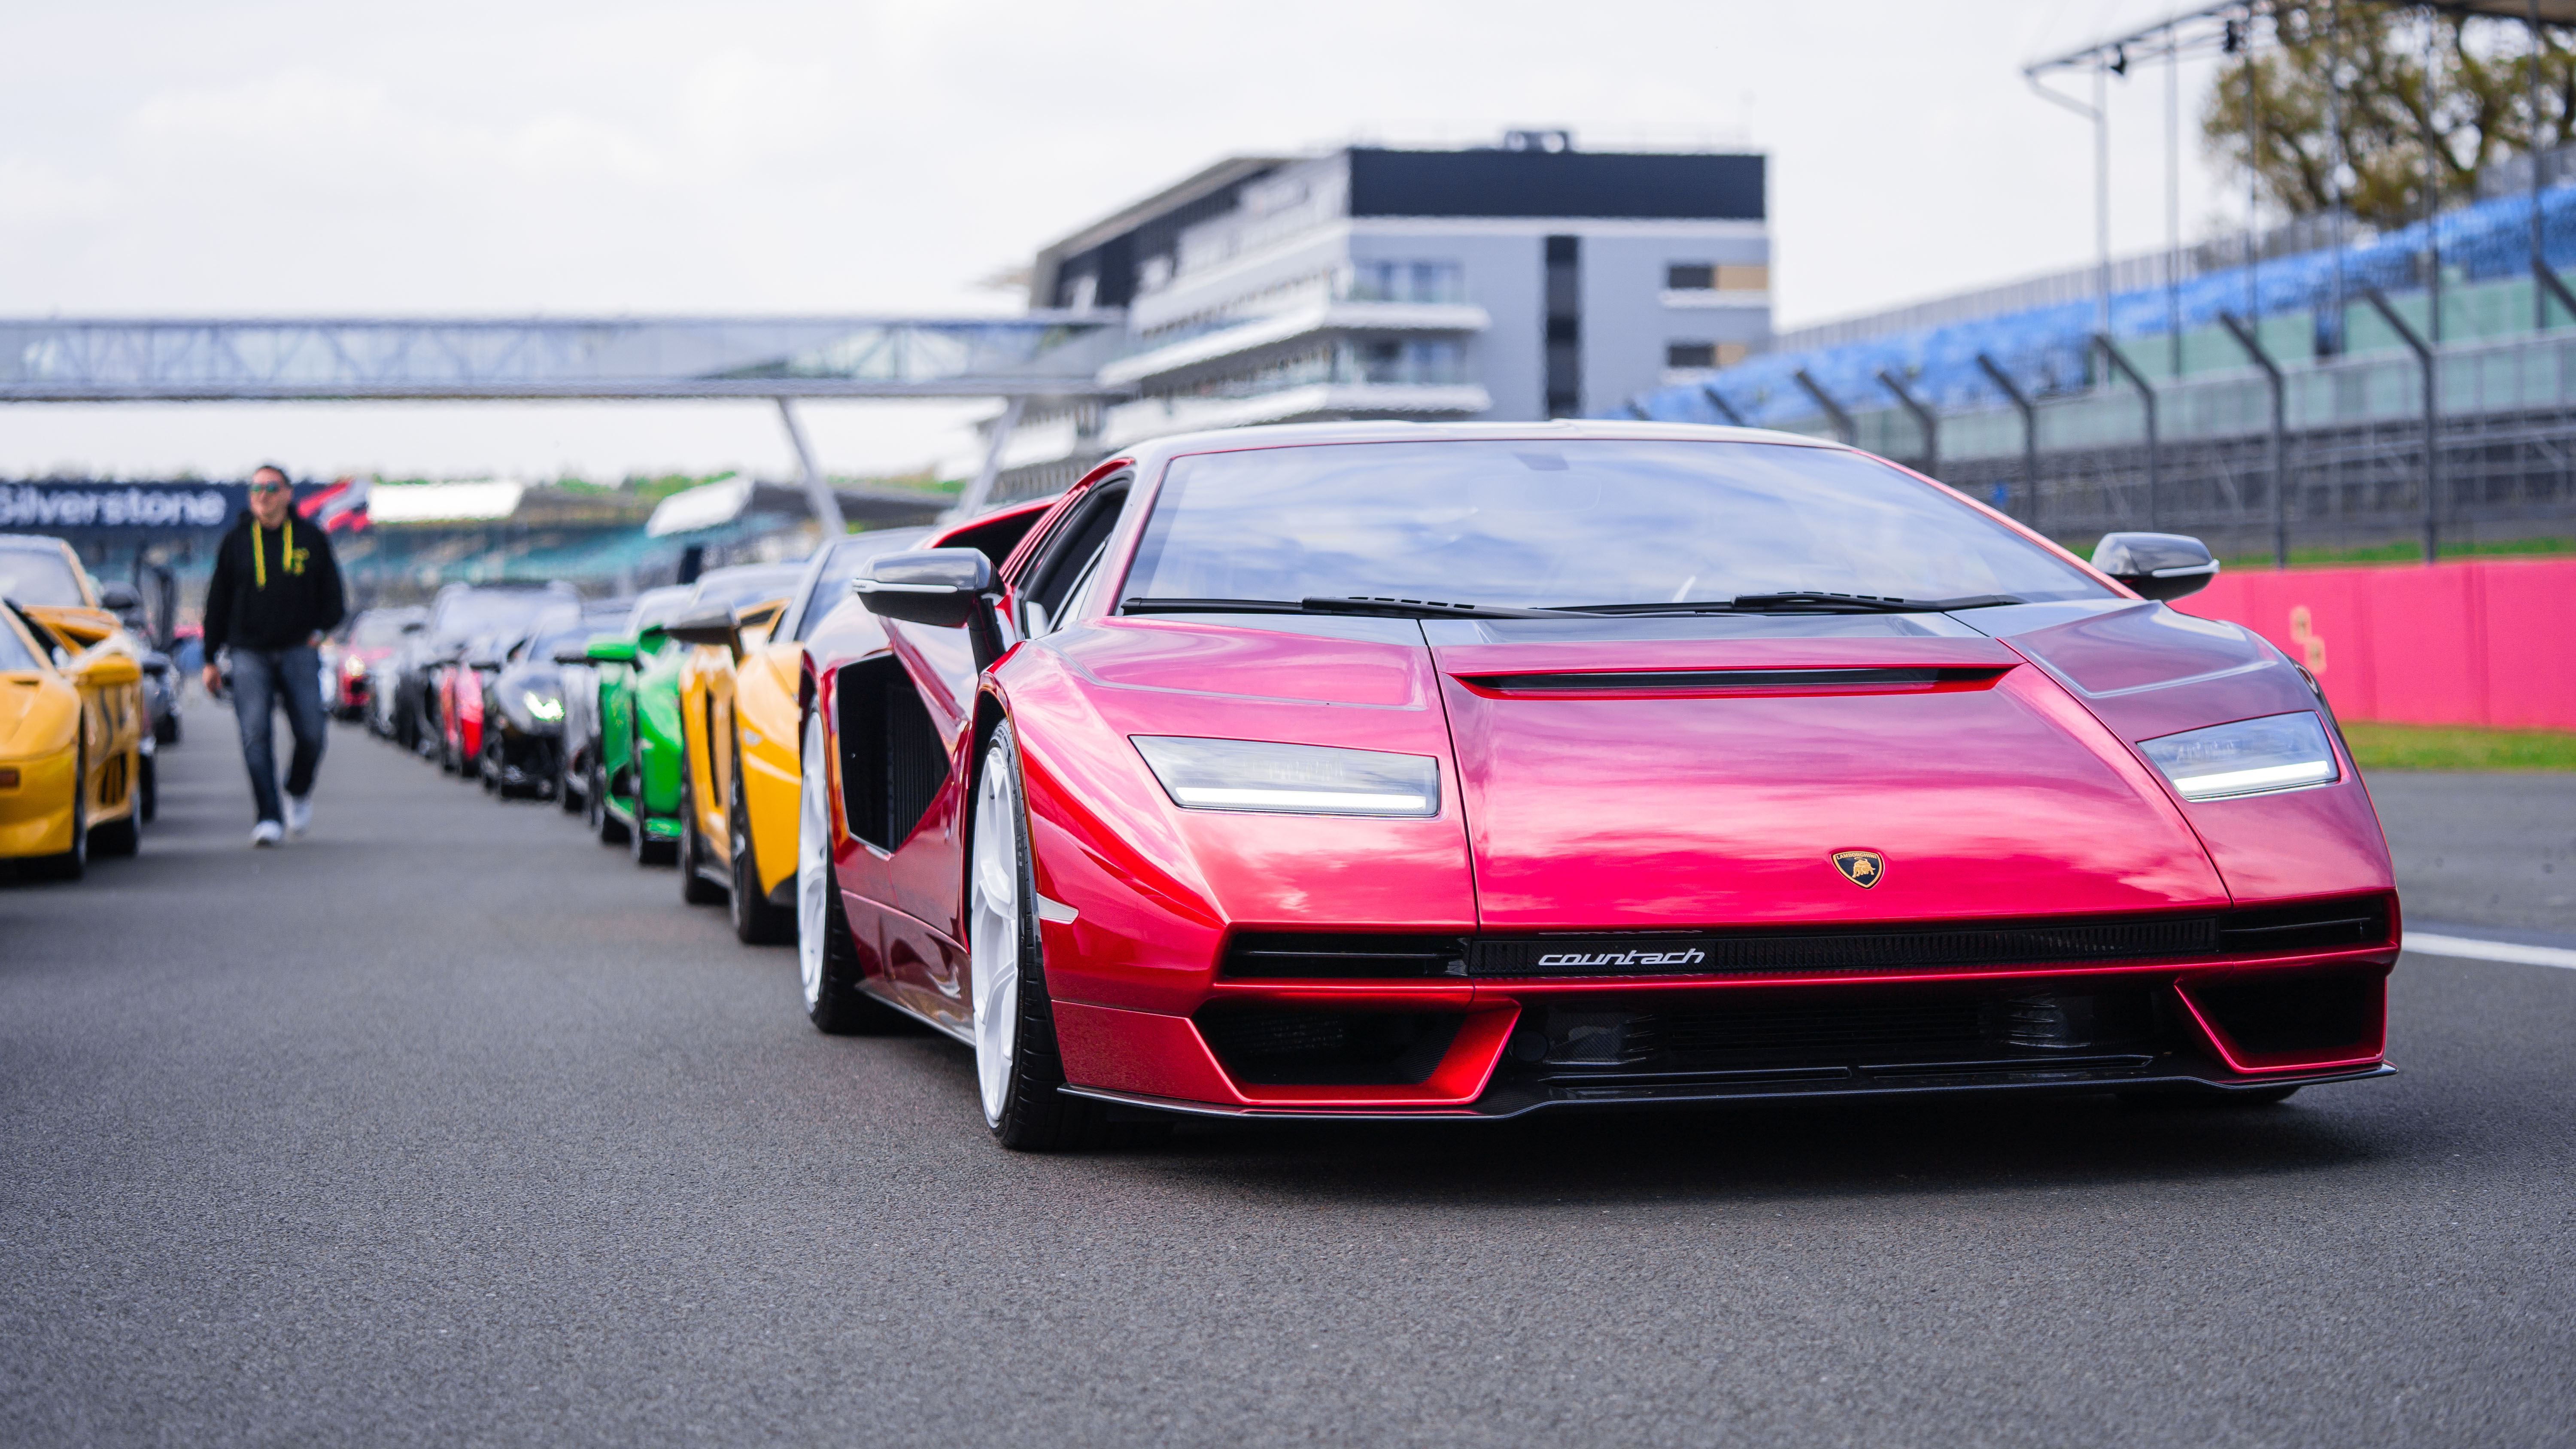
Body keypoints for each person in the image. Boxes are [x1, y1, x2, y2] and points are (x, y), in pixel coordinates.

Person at [202, 465, 346, 846]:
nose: (263, 495)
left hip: (299, 649)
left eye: (271, 487)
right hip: (249, 652)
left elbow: (335, 597)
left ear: (287, 494)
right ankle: (269, 816)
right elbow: (217, 603)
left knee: (312, 732)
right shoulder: (235, 541)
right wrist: (209, 658)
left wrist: (319, 632)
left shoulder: (311, 538)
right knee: (255, 734)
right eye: (256, 488)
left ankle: (297, 789)